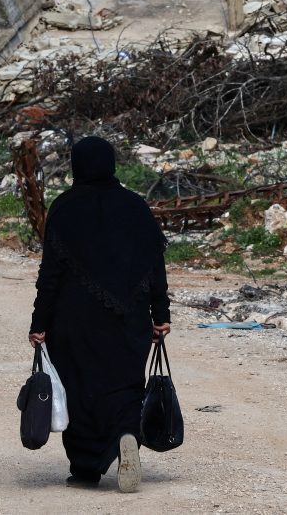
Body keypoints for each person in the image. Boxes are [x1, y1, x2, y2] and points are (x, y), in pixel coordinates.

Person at [28, 136, 171, 493]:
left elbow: (50, 276)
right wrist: (160, 313)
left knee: (80, 386)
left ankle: (86, 467)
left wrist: (39, 322)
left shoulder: (64, 208)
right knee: (125, 384)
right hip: (130, 317)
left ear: (78, 165)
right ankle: (126, 435)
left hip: (74, 320)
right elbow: (156, 264)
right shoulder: (136, 207)